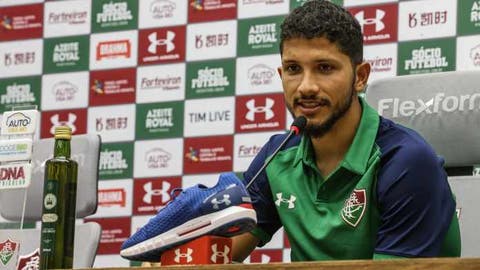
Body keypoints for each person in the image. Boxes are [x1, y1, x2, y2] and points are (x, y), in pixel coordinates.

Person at [232, 0, 461, 262]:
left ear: (360, 76)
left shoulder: (406, 161)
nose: (306, 86)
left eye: (325, 68)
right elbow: (217, 254)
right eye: (294, 69)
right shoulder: (277, 156)